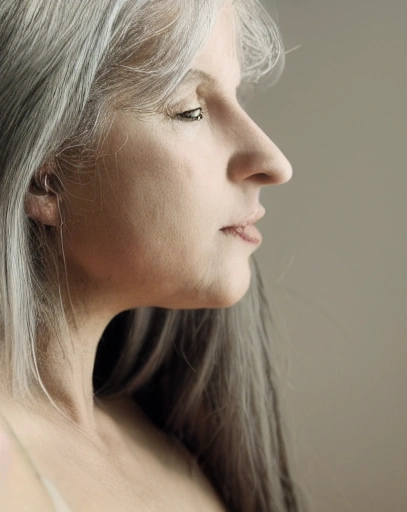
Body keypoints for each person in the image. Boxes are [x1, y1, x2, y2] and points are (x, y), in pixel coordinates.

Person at [0, 0, 305, 511]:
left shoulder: (174, 444)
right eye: (191, 109)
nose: (274, 162)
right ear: (43, 176)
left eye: (238, 97)